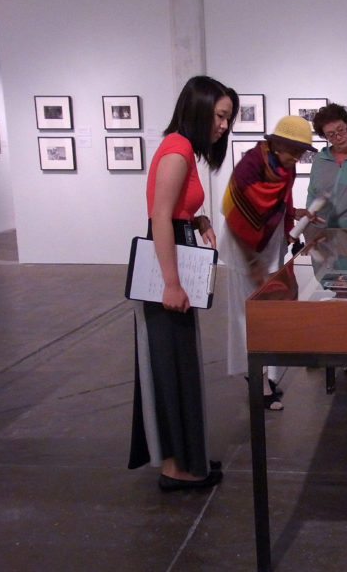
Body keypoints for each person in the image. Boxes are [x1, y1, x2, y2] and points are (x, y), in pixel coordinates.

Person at [128, 75, 238, 491]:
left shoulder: (183, 150)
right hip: (166, 259)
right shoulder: (176, 151)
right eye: (221, 116)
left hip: (174, 248)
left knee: (180, 362)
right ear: (199, 108)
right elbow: (159, 217)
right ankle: (174, 467)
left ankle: (186, 457)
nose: (224, 126)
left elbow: (176, 208)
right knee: (170, 365)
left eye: (227, 119)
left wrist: (201, 218)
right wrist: (170, 284)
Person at [218, 115, 317, 410]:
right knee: (245, 314)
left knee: (270, 310)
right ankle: (255, 377)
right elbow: (237, 215)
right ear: (276, 144)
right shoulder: (250, 165)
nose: (297, 158)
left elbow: (280, 201)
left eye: (301, 152)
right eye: (293, 151)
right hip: (242, 247)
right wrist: (252, 262)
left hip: (269, 243)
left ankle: (266, 373)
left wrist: (294, 217)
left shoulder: (284, 166)